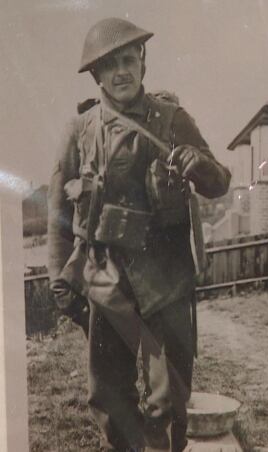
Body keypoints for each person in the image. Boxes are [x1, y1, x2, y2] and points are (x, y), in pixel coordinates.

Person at [47, 18, 231, 451]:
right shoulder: (80, 129)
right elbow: (56, 207)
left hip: (165, 278)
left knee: (169, 397)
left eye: (129, 59)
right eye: (110, 66)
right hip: (105, 277)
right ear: (97, 76)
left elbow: (220, 181)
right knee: (109, 392)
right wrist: (58, 274)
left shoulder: (172, 119)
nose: (121, 72)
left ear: (143, 63)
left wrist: (198, 164)